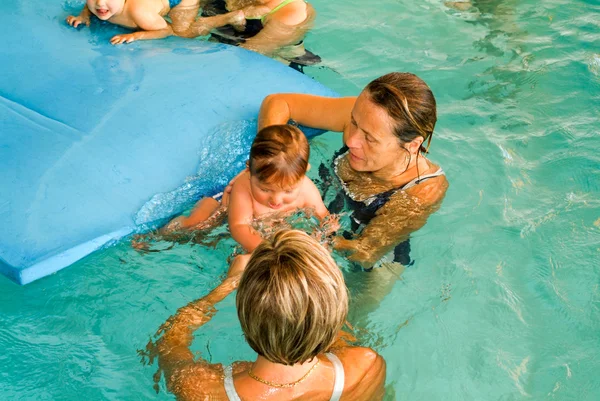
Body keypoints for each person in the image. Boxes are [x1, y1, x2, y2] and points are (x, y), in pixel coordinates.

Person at [147, 229, 386, 400]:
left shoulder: (204, 390)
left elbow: (166, 342)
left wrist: (225, 287)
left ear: (244, 314)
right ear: (335, 306)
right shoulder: (364, 366)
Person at [256, 72, 449, 269]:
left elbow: (362, 253)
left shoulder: (421, 193)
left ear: (412, 145)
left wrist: (300, 231)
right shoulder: (367, 116)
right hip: (326, 212)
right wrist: (271, 165)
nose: (351, 140)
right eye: (354, 123)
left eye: (370, 139)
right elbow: (278, 103)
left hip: (372, 266)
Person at [160, 124, 335, 253]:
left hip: (262, 224)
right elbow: (239, 227)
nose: (276, 200)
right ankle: (157, 234)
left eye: (288, 191)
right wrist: (267, 251)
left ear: (303, 174)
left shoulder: (306, 189)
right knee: (195, 227)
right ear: (249, 171)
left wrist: (327, 235)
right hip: (223, 201)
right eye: (266, 189)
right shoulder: (244, 187)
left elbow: (323, 215)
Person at [203, 0, 320, 69]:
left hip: (275, 60)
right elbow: (186, 31)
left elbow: (251, 53)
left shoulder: (292, 11)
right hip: (223, 43)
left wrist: (222, 19)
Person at [65, 0, 245, 44]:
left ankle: (230, 17)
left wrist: (137, 35)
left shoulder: (139, 13)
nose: (99, 4)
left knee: (182, 31)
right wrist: (83, 16)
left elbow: (165, 30)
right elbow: (89, 7)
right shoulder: (99, 5)